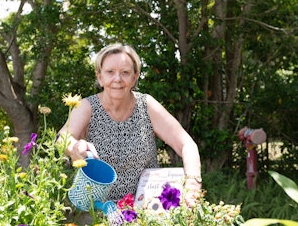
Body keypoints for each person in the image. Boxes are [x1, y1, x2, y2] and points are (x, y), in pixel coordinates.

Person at [59, 43, 202, 207]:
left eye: (125, 72)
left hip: (146, 211)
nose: (117, 79)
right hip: (96, 212)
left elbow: (187, 144)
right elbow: (62, 138)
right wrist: (75, 147)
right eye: (110, 72)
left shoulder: (146, 105)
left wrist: (193, 183)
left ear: (135, 77)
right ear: (100, 76)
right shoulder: (87, 106)